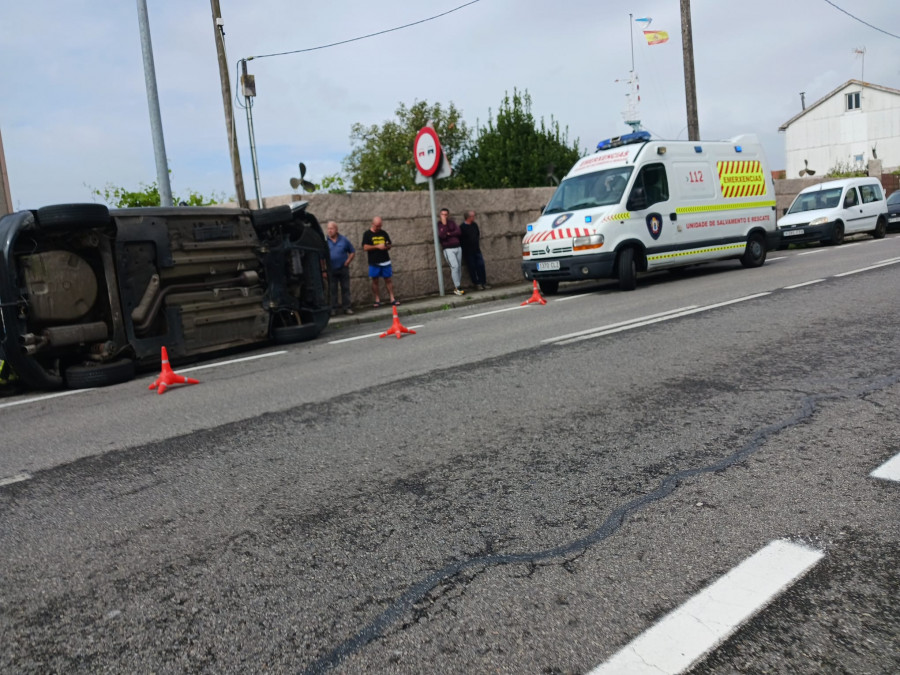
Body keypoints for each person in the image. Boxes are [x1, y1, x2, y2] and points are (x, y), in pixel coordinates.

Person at [362, 216, 398, 307]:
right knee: (375, 280)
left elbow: (389, 244)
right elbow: (365, 247)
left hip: (385, 260)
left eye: (380, 226)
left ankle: (392, 298)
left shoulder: (383, 233)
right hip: (374, 261)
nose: (379, 228)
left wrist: (387, 246)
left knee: (388, 279)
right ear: (372, 224)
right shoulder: (367, 234)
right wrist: (377, 246)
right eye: (377, 226)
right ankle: (377, 299)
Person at [326, 221, 355, 315]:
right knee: (332, 289)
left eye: (332, 228)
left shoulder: (344, 240)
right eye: (328, 228)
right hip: (331, 269)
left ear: (336, 229)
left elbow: (352, 251)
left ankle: (347, 307)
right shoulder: (325, 241)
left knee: (345, 288)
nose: (330, 231)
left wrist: (348, 261)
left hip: (343, 268)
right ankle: (333, 308)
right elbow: (322, 256)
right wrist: (323, 269)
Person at [459, 210, 490, 290]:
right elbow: (462, 239)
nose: (474, 217)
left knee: (481, 265)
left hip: (476, 249)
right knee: (472, 267)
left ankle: (483, 282)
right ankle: (477, 283)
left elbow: (477, 234)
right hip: (468, 251)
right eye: (472, 216)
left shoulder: (474, 225)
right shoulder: (462, 227)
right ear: (468, 217)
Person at [437, 207, 465, 295]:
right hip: (448, 249)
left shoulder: (452, 222)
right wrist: (444, 225)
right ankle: (457, 287)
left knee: (459, 267)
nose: (444, 216)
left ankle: (459, 285)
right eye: (442, 215)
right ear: (440, 215)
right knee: (454, 266)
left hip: (457, 247)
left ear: (448, 215)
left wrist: (449, 233)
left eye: (445, 215)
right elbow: (442, 236)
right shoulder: (439, 224)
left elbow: (459, 232)